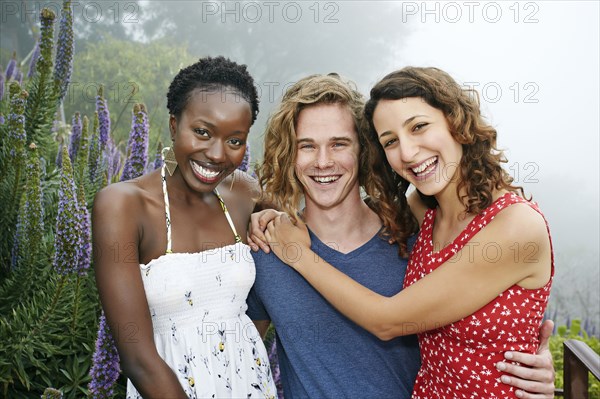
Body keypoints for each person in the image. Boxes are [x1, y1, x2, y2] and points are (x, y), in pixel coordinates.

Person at [247, 73, 556, 398]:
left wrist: (535, 361)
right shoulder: (424, 217)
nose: (324, 162)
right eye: (306, 146)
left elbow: (389, 321)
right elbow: (238, 361)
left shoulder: (414, 231)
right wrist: (262, 211)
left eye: (339, 144)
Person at [92, 56, 276, 399]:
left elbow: (284, 258)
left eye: (235, 141)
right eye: (202, 132)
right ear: (175, 125)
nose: (217, 154)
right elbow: (137, 359)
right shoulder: (122, 205)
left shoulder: (244, 193)